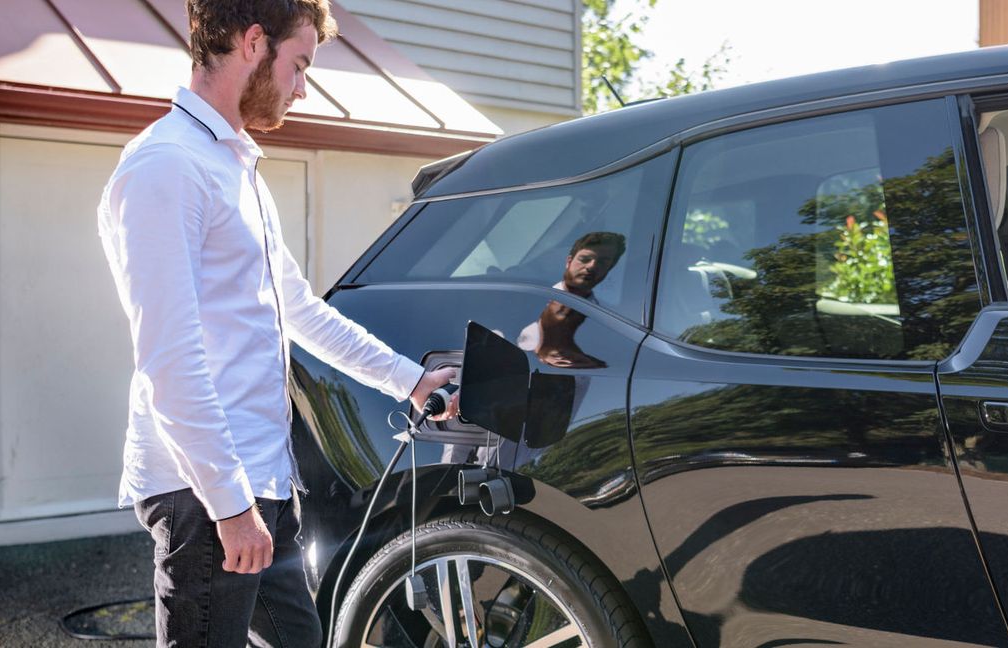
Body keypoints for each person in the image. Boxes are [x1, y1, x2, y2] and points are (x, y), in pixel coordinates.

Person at [95, 2, 455, 645]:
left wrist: (411, 382)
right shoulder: (166, 166)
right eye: (299, 65)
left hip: (261, 483)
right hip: (206, 494)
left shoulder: (236, 169)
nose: (303, 87)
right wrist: (230, 507)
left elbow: (302, 312)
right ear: (253, 43)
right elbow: (169, 361)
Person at [516, 231, 627, 368]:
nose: (592, 266)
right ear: (569, 262)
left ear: (609, 269)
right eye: (585, 259)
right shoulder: (525, 298)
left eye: (603, 262)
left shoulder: (606, 322)